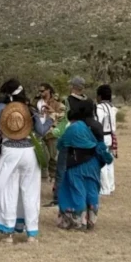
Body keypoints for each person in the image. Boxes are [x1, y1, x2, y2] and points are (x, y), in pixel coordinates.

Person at [0, 80, 53, 244]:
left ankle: (8, 233)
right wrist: (49, 119)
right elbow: (41, 131)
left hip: (10, 152)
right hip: (29, 153)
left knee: (9, 191)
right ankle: (32, 234)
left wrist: (3, 127)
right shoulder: (30, 109)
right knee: (30, 192)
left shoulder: (2, 108)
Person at [56, 102, 112, 230]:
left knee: (77, 191)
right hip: (94, 164)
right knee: (92, 190)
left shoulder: (75, 126)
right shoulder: (97, 125)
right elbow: (100, 144)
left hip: (77, 164)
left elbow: (61, 144)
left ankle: (79, 222)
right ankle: (91, 221)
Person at [36, 83, 64, 183]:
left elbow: (63, 116)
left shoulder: (57, 103)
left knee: (53, 155)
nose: (40, 93)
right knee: (41, 154)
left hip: (51, 132)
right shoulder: (36, 102)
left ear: (48, 90)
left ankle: (53, 176)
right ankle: (43, 175)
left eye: (42, 91)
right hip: (39, 131)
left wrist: (53, 112)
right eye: (39, 91)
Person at [95, 84, 118, 196]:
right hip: (111, 136)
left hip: (102, 136)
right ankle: (111, 186)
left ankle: (104, 189)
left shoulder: (99, 108)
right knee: (110, 161)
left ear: (99, 96)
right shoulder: (112, 107)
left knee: (102, 162)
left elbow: (98, 123)